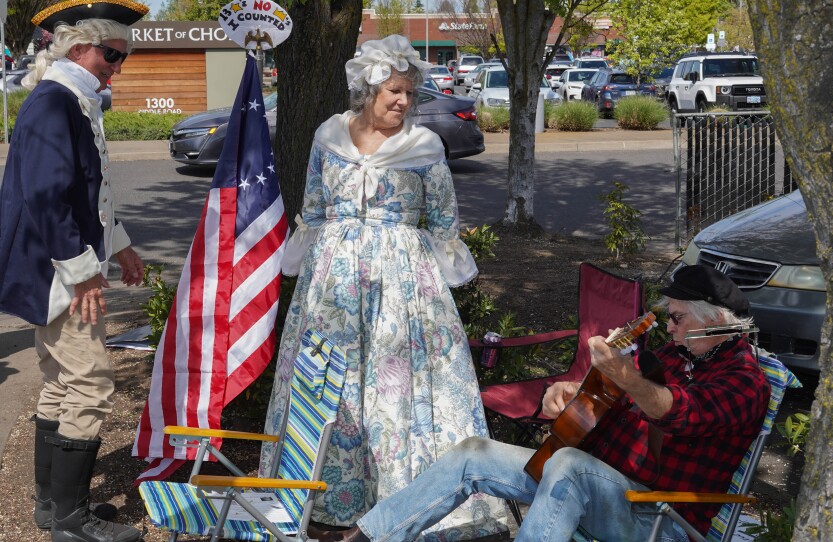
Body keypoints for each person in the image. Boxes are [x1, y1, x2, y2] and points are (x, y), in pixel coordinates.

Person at [311, 265, 772, 542]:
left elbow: (676, 412)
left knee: (568, 463)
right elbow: (618, 400)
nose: (667, 327)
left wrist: (624, 374)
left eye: (676, 318)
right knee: (473, 453)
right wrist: (574, 396)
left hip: (656, 516)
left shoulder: (745, 382)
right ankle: (367, 535)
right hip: (594, 486)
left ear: (713, 322)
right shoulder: (676, 353)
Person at [259, 34, 509, 539]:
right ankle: (329, 498)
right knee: (334, 382)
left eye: (410, 93)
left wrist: (443, 275)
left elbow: (442, 218)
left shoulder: (424, 145)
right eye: (394, 91)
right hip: (333, 284)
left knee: (401, 383)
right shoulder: (328, 136)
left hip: (403, 284)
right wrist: (307, 262)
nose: (403, 101)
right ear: (366, 90)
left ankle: (409, 502)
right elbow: (313, 205)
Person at [0, 1, 148, 541]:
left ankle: (50, 507)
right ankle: (70, 518)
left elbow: (92, 191)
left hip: (63, 266)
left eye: (122, 57)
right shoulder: (55, 103)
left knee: (63, 382)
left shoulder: (72, 98)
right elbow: (46, 198)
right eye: (112, 54)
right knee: (89, 381)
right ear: (78, 46)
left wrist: (122, 245)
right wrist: (85, 272)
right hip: (57, 272)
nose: (117, 65)